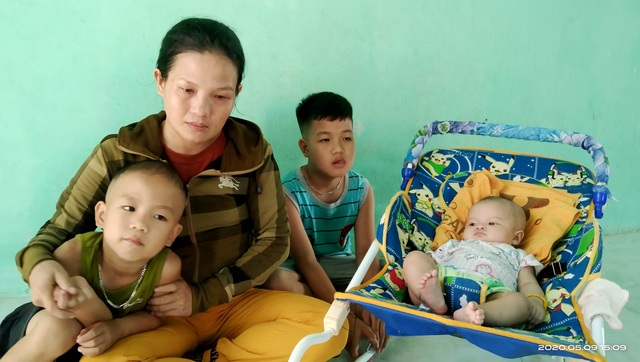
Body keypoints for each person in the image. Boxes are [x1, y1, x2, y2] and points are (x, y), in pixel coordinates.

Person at [14, 17, 347, 361]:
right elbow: (59, 232)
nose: (201, 111)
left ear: (237, 94)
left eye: (221, 96)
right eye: (187, 90)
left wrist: (202, 295)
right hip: (152, 318)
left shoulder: (251, 152)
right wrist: (39, 266)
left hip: (233, 304)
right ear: (160, 80)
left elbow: (274, 239)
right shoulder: (118, 153)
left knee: (329, 328)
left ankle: (211, 356)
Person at [1, 160, 185, 361]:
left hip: (96, 345)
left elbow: (155, 317)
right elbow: (62, 310)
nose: (140, 224)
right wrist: (94, 312)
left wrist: (117, 329)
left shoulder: (167, 267)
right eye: (129, 208)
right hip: (37, 335)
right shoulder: (73, 253)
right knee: (60, 328)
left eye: (159, 217)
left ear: (172, 235)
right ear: (102, 215)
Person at [263, 91, 387, 358]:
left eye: (346, 137)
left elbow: (366, 253)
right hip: (302, 269)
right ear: (305, 148)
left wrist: (371, 303)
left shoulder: (361, 188)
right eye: (325, 139)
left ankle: (347, 305)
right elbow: (307, 262)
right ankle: (336, 311)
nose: (338, 149)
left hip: (339, 266)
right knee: (278, 281)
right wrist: (346, 316)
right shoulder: (288, 193)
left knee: (391, 271)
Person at [403, 196, 547, 327]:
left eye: (491, 223)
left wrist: (535, 301)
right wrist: (424, 274)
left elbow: (528, 283)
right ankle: (430, 298)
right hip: (443, 281)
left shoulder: (518, 256)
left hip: (491, 293)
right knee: (415, 257)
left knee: (520, 303)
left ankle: (476, 313)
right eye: (472, 224)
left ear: (516, 237)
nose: (479, 226)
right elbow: (430, 262)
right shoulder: (454, 244)